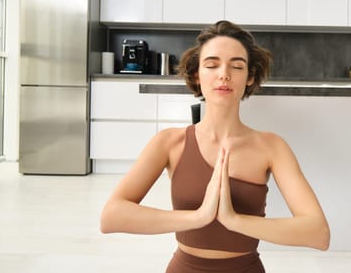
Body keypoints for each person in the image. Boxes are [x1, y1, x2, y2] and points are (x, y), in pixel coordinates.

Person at [100, 20, 330, 272]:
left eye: (237, 66)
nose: (224, 74)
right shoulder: (169, 142)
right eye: (211, 65)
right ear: (197, 75)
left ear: (250, 76)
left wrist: (234, 220)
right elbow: (111, 216)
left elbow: (317, 233)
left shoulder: (272, 147)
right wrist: (198, 217)